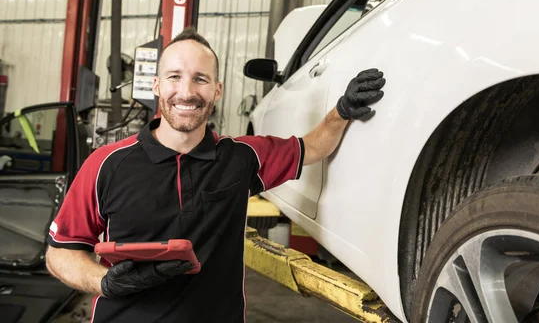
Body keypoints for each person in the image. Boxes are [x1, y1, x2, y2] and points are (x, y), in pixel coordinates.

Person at [45, 26, 385, 322]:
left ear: (217, 90)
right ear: (156, 86)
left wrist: (342, 111)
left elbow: (313, 147)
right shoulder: (106, 164)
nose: (187, 91)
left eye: (200, 79)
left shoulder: (242, 157)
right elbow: (60, 253)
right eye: (174, 77)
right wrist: (104, 282)